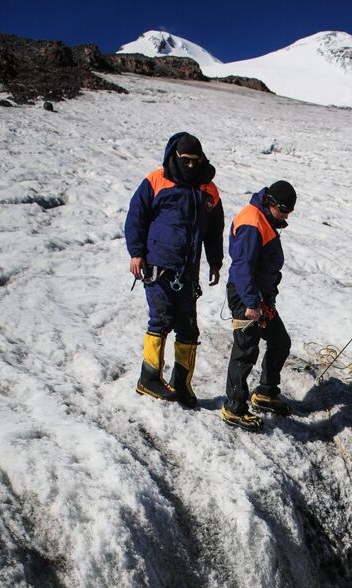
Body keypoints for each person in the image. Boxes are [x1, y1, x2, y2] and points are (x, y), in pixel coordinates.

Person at [125, 132, 224, 407]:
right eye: (186, 160)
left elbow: (214, 230)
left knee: (188, 328)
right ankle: (149, 378)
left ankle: (182, 385)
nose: (191, 166)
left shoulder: (208, 190)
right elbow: (136, 218)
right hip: (158, 264)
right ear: (176, 156)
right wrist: (136, 253)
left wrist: (215, 261)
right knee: (161, 320)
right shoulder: (156, 180)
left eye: (196, 161)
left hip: (188, 269)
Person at [221, 181, 297, 432]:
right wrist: (252, 303)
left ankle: (265, 392)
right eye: (284, 209)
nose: (286, 216)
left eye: (290, 211)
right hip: (247, 296)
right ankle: (234, 407)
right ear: (270, 202)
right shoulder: (252, 222)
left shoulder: (264, 220)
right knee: (245, 349)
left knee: (280, 341)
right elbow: (242, 267)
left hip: (259, 296)